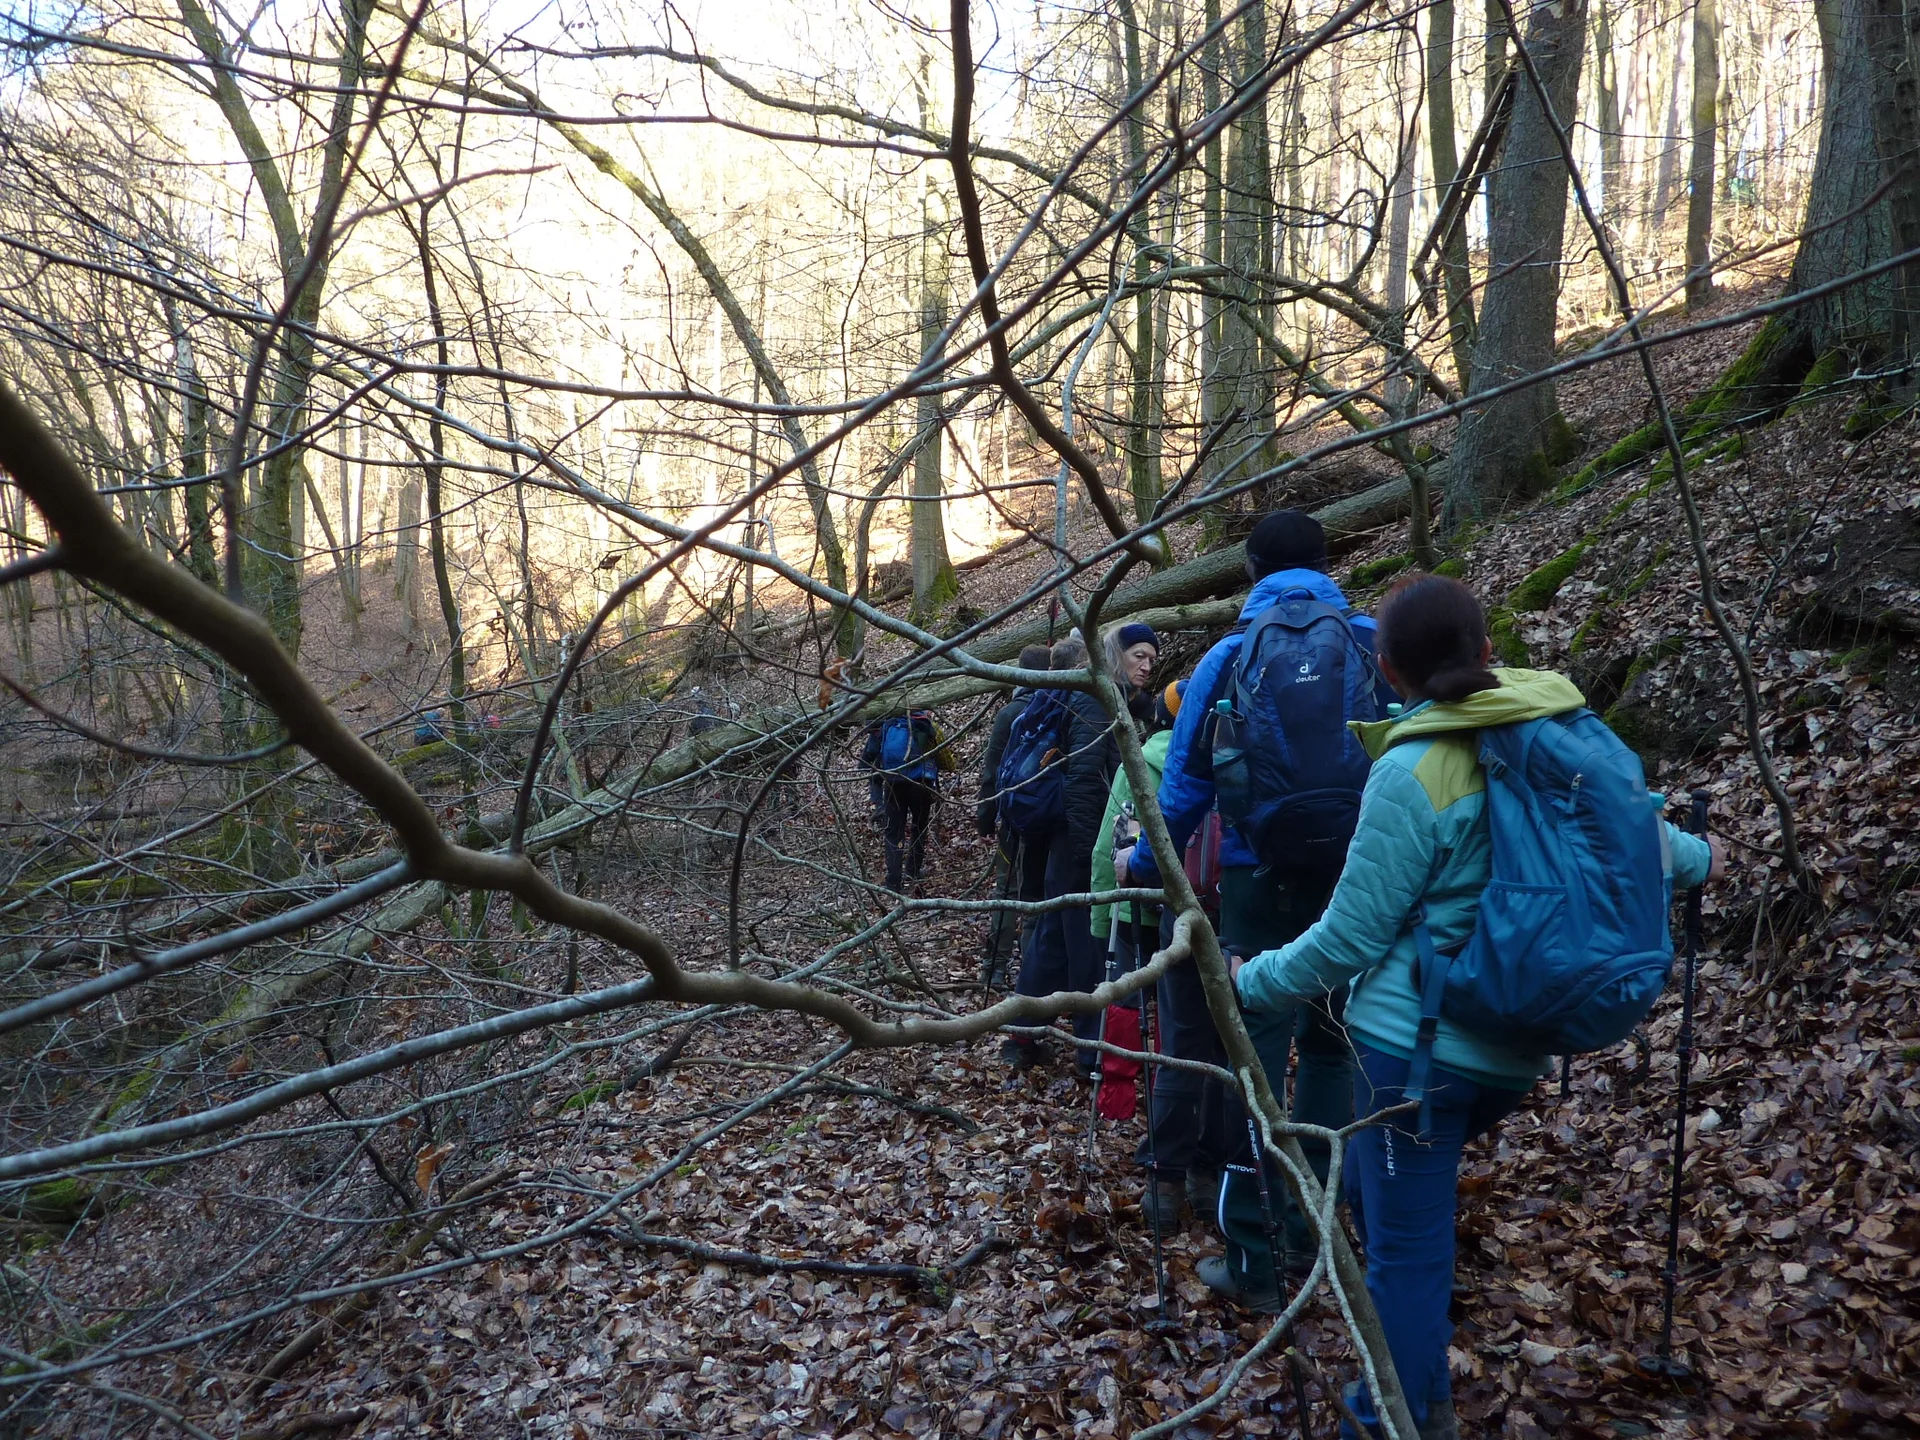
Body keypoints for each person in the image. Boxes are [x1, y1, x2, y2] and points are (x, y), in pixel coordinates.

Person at [1231, 574, 1723, 1440]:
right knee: (1401, 1228)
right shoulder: (1563, 740)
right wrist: (1706, 854)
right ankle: (1426, 1403)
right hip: (1514, 1052)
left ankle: (1385, 1422)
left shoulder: (1411, 770)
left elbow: (1348, 940)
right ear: (1488, 652)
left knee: (1404, 1259)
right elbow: (1667, 856)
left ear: (1386, 671)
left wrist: (1249, 982)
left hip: (1413, 1055)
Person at [1122, 509, 1385, 1299]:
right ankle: (1318, 1231)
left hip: (1254, 877)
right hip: (1354, 878)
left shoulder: (1230, 656)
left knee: (1258, 1057)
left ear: (1251, 571)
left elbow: (1184, 787)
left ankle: (1256, 1255)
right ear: (1327, 562)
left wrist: (1143, 862)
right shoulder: (1371, 642)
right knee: (1336, 1047)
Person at [978, 645, 1057, 985]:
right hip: (1044, 818)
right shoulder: (1058, 709)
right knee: (1034, 896)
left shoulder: (1010, 713)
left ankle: (994, 968)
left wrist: (986, 813)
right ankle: (1030, 974)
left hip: (1011, 820)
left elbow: (992, 772)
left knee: (1006, 892)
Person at [860, 708, 954, 892]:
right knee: (918, 827)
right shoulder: (925, 724)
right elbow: (947, 761)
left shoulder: (888, 725)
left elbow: (868, 759)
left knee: (894, 833)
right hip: (920, 784)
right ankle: (913, 870)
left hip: (893, 783)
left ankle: (893, 881)